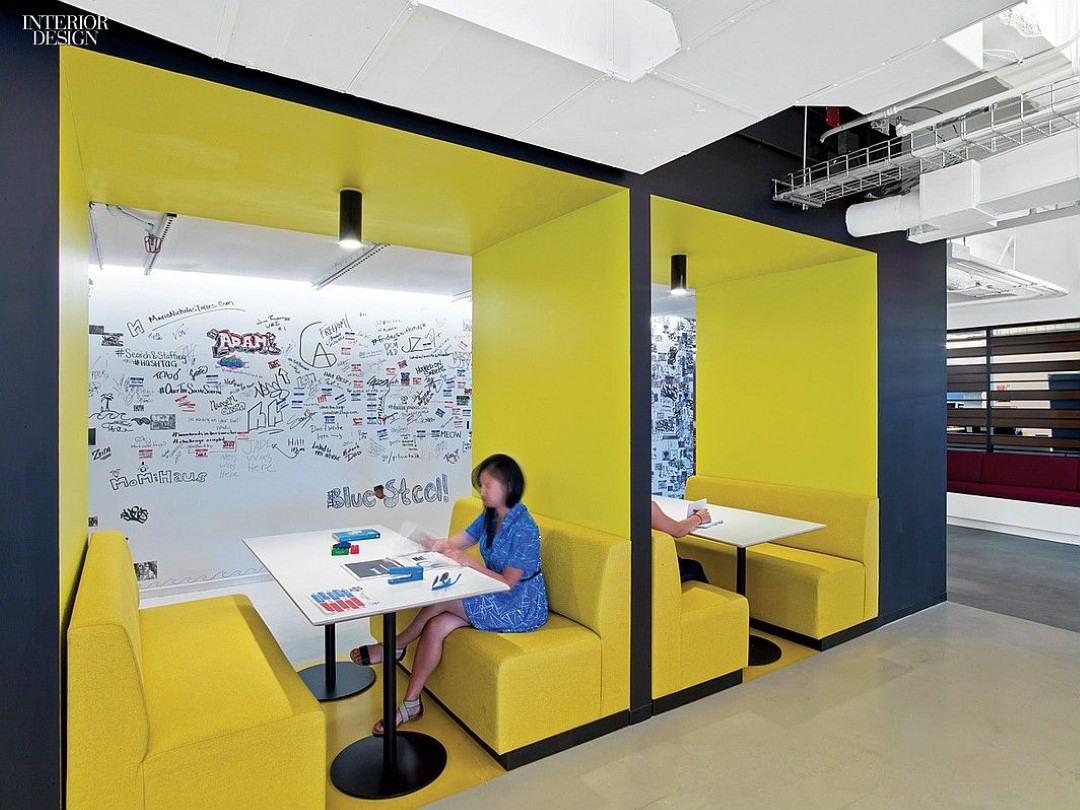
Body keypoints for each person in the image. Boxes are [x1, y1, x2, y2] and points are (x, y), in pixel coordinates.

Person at [350, 453, 548, 734]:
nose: (482, 491)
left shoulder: (525, 529)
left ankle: (394, 645)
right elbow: (457, 541)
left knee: (445, 596)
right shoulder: (490, 515)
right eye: (481, 485)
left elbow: (508, 583)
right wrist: (431, 543)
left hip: (518, 605)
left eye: (488, 485)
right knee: (435, 625)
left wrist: (468, 562)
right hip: (493, 592)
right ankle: (411, 703)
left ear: (508, 486)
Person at [651, 500, 711, 584]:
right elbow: (679, 531)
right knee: (694, 567)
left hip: (632, 566)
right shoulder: (645, 507)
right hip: (655, 569)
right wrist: (699, 517)